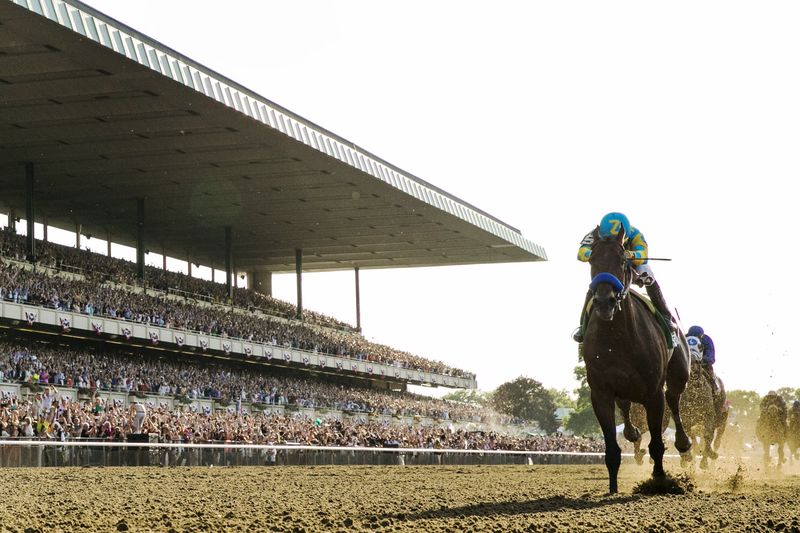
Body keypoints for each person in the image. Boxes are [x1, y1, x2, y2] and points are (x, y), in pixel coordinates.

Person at [573, 212, 674, 343]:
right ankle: (583, 326)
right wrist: (595, 253)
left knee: (646, 270)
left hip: (630, 265)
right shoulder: (594, 233)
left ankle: (665, 315)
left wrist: (631, 254)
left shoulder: (635, 234)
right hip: (608, 266)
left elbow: (643, 254)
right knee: (597, 285)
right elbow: (581, 253)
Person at [687, 325, 718, 394]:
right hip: (687, 362)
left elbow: (710, 353)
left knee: (709, 373)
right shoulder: (685, 338)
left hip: (702, 363)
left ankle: (714, 389)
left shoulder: (706, 340)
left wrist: (704, 360)